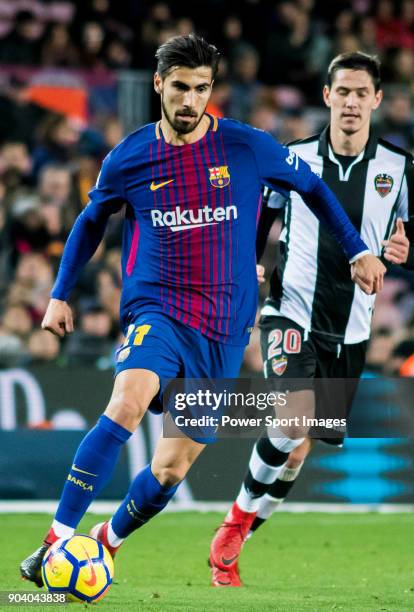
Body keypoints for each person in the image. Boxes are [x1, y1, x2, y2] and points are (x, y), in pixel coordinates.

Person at [20, 36, 385, 587]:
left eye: (202, 88)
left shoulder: (246, 146)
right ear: (159, 84)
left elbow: (312, 187)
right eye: (181, 88)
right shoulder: (131, 156)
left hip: (223, 330)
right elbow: (92, 222)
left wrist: (357, 248)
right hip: (158, 310)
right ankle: (53, 542)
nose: (191, 100)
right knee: (128, 400)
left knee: (170, 468)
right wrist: (59, 293)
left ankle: (106, 543)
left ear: (211, 89)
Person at [209, 51, 413, 587]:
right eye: (341, 91)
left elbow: (405, 238)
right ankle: (232, 524)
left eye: (359, 93)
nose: (350, 102)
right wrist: (249, 264)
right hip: (289, 309)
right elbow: (263, 217)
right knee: (294, 416)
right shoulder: (293, 157)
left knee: (297, 451)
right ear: (327, 96)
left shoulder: (399, 167)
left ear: (376, 100)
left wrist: (404, 247)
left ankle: (238, 540)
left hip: (351, 329)